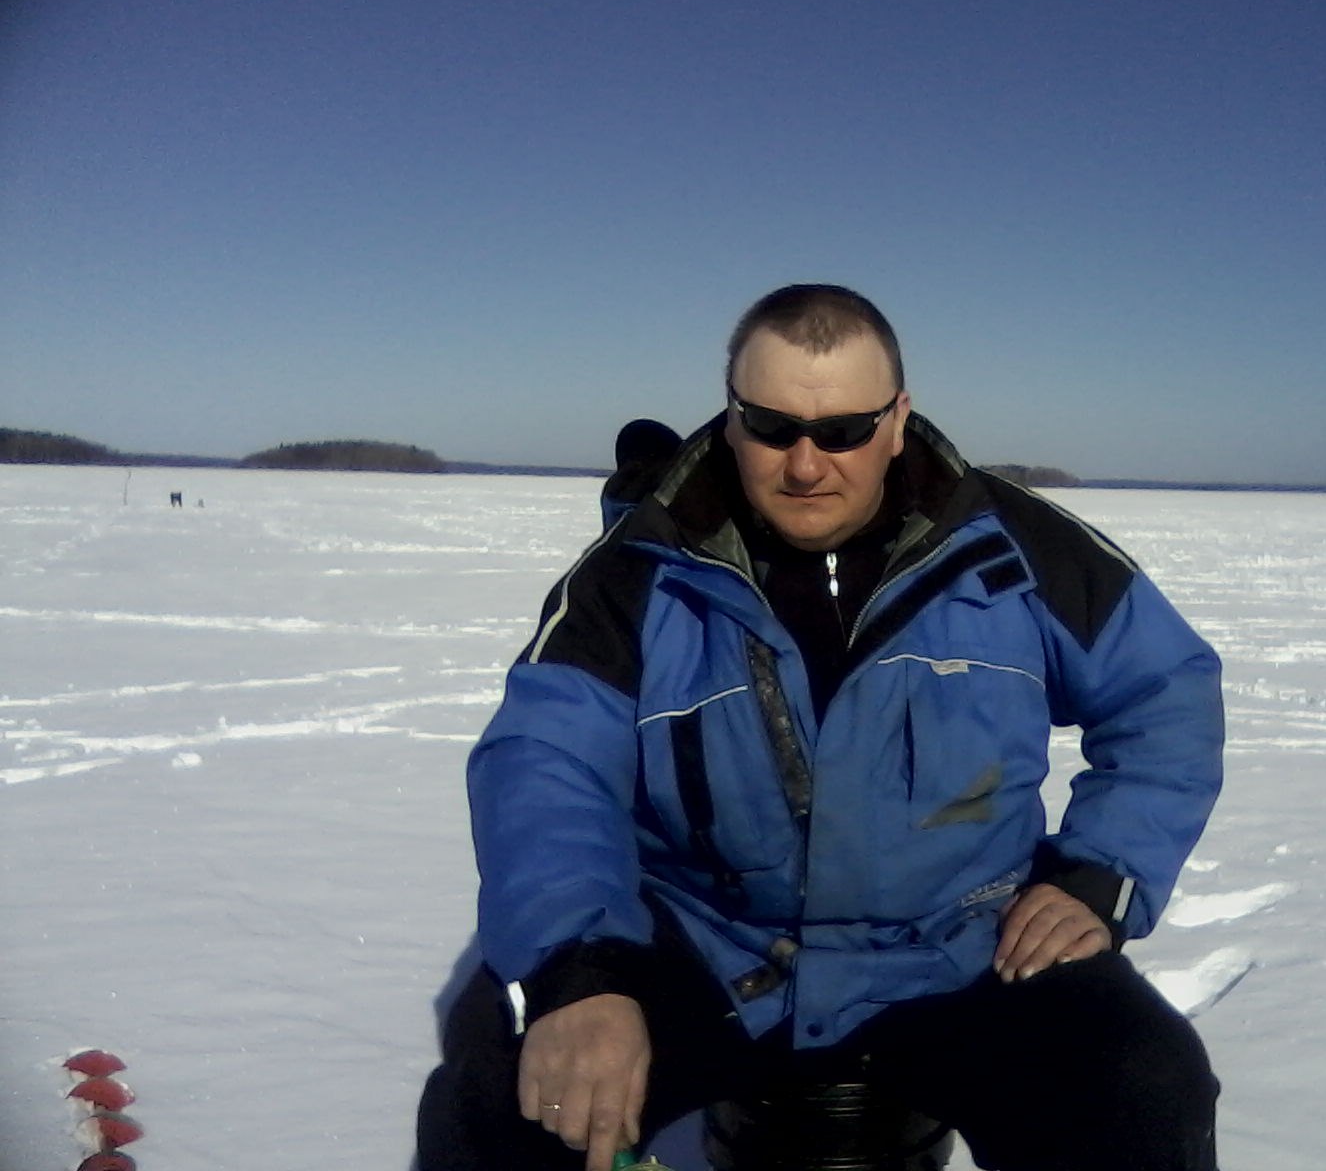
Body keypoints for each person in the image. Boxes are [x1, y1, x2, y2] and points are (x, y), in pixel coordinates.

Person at [418, 284, 1225, 1171]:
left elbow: (1165, 695)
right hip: (712, 945)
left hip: (959, 946)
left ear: (896, 420)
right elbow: (546, 767)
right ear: (732, 417)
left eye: (842, 430)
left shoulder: (1016, 548)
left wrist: (1101, 874)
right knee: (501, 1101)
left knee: (1146, 1088)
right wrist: (579, 972)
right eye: (772, 427)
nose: (806, 464)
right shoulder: (638, 571)